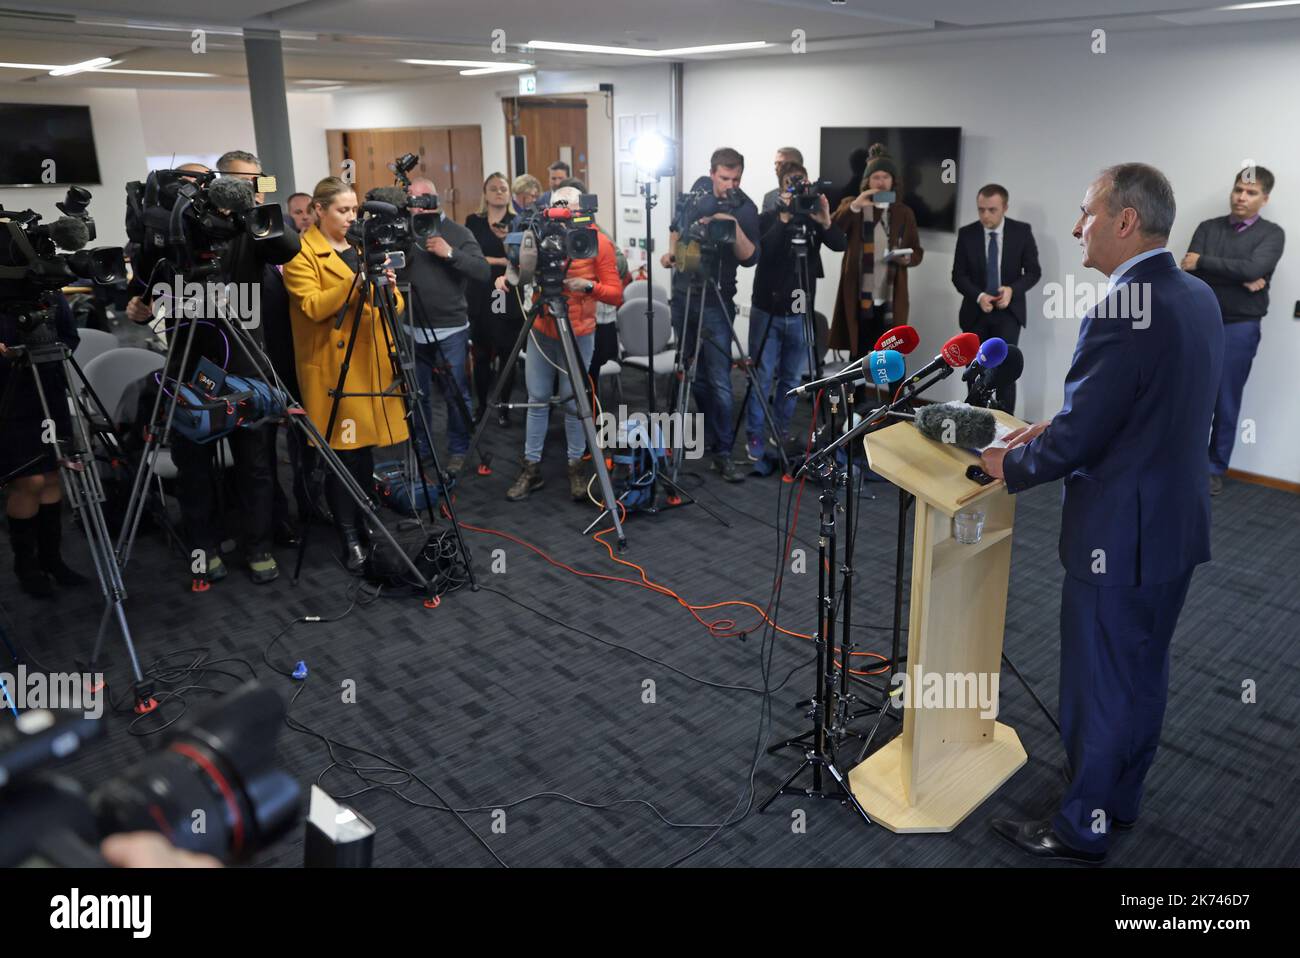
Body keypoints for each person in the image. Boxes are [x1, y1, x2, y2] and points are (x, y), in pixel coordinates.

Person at [980, 163, 1223, 865]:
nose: (1078, 227)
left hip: (1117, 538)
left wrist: (1011, 463)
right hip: (1175, 525)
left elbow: (1087, 436)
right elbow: (1141, 402)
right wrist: (1056, 422)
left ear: (1124, 221)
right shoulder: (1197, 295)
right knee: (1142, 670)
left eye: (1087, 213)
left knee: (1096, 684)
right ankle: (1118, 800)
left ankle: (1081, 824)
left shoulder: (1122, 308)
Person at [127, 150, 301, 586]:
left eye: (251, 183)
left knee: (256, 463)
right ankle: (203, 549)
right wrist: (139, 301)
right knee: (195, 466)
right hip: (190, 364)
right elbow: (143, 288)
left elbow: (288, 247)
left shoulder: (252, 225)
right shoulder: (173, 230)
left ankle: (258, 547)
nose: (243, 190)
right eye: (236, 182)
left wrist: (250, 210)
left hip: (247, 364)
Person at [282, 176, 408, 573]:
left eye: (355, 209)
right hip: (334, 370)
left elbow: (396, 307)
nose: (352, 217)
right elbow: (314, 307)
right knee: (341, 454)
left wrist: (387, 287)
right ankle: (349, 533)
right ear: (319, 210)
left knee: (364, 452)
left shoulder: (362, 247)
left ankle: (367, 521)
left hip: (370, 362)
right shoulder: (300, 253)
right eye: (343, 210)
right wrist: (356, 281)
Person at [499, 186, 623, 502]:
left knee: (573, 402)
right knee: (537, 399)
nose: (561, 216)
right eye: (556, 208)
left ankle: (576, 468)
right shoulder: (540, 233)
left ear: (583, 209)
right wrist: (510, 274)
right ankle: (531, 467)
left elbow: (615, 293)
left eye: (567, 209)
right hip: (542, 326)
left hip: (579, 332)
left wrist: (588, 285)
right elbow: (520, 269)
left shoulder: (599, 242)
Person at [1182, 166, 1285, 496]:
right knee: (1189, 395)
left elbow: (1254, 268)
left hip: (1240, 326)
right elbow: (1189, 271)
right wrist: (1240, 277)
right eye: (1239, 189)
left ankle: (1213, 468)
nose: (1242, 196)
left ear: (1264, 198)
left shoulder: (1272, 234)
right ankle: (1181, 460)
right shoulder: (1208, 227)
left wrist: (1205, 262)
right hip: (1200, 322)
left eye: (1251, 192)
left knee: (1225, 399)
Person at [660, 147, 761, 481]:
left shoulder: (744, 207)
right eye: (724, 177)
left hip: (717, 301)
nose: (729, 184)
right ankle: (682, 442)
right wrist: (673, 252)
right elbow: (676, 226)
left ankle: (723, 452)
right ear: (713, 172)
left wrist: (729, 224)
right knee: (687, 370)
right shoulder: (696, 194)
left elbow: (749, 257)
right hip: (683, 294)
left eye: (735, 178)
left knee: (718, 379)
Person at [745, 161, 846, 460]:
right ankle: (755, 435)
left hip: (800, 311)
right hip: (767, 308)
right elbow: (765, 251)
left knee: (790, 378)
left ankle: (781, 431)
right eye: (791, 182)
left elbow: (840, 244)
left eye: (801, 182)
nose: (797, 187)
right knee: (762, 377)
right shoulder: (767, 218)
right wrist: (785, 217)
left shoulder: (813, 217)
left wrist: (825, 220)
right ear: (780, 185)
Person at [399, 177, 490, 476]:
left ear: (437, 201)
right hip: (411, 327)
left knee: (456, 394)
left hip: (450, 329)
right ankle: (422, 450)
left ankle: (459, 449)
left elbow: (482, 271)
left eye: (423, 198)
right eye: (411, 198)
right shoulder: (403, 232)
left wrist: (450, 253)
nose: (416, 204)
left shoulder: (457, 232)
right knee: (418, 394)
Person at [0, 294, 88, 598]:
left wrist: (52, 352)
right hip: (9, 396)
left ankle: (53, 560)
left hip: (48, 389)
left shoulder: (46, 288)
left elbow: (68, 335)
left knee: (51, 476)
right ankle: (27, 567)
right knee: (29, 480)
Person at [829, 143, 922, 407]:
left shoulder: (903, 213)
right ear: (867, 180)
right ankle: (854, 408)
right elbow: (833, 233)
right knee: (859, 356)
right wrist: (856, 206)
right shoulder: (853, 205)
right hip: (860, 300)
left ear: (894, 181)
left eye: (885, 176)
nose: (881, 182)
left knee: (894, 357)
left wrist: (907, 257)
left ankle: (896, 406)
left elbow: (917, 251)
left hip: (890, 299)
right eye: (876, 176)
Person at [950, 184, 1041, 412]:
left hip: (1008, 314)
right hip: (975, 313)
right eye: (981, 210)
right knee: (975, 370)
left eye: (992, 210)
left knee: (1005, 373)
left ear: (1005, 208)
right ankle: (973, 421)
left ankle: (1005, 430)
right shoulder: (967, 233)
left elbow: (1033, 272)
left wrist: (1011, 290)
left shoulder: (1022, 232)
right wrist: (979, 296)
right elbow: (958, 276)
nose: (985, 215)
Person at [464, 172, 525, 426]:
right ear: (485, 194)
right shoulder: (474, 221)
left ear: (509, 194)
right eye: (494, 188)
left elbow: (521, 260)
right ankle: (482, 404)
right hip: (480, 293)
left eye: (503, 188)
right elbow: (468, 256)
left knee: (506, 355)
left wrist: (503, 248)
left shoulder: (518, 222)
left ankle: (503, 406)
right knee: (480, 355)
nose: (499, 192)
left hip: (506, 294)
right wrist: (500, 260)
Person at [761, 146, 804, 213]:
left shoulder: (816, 195)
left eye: (780, 163)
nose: (776, 168)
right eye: (776, 164)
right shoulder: (769, 198)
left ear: (797, 166)